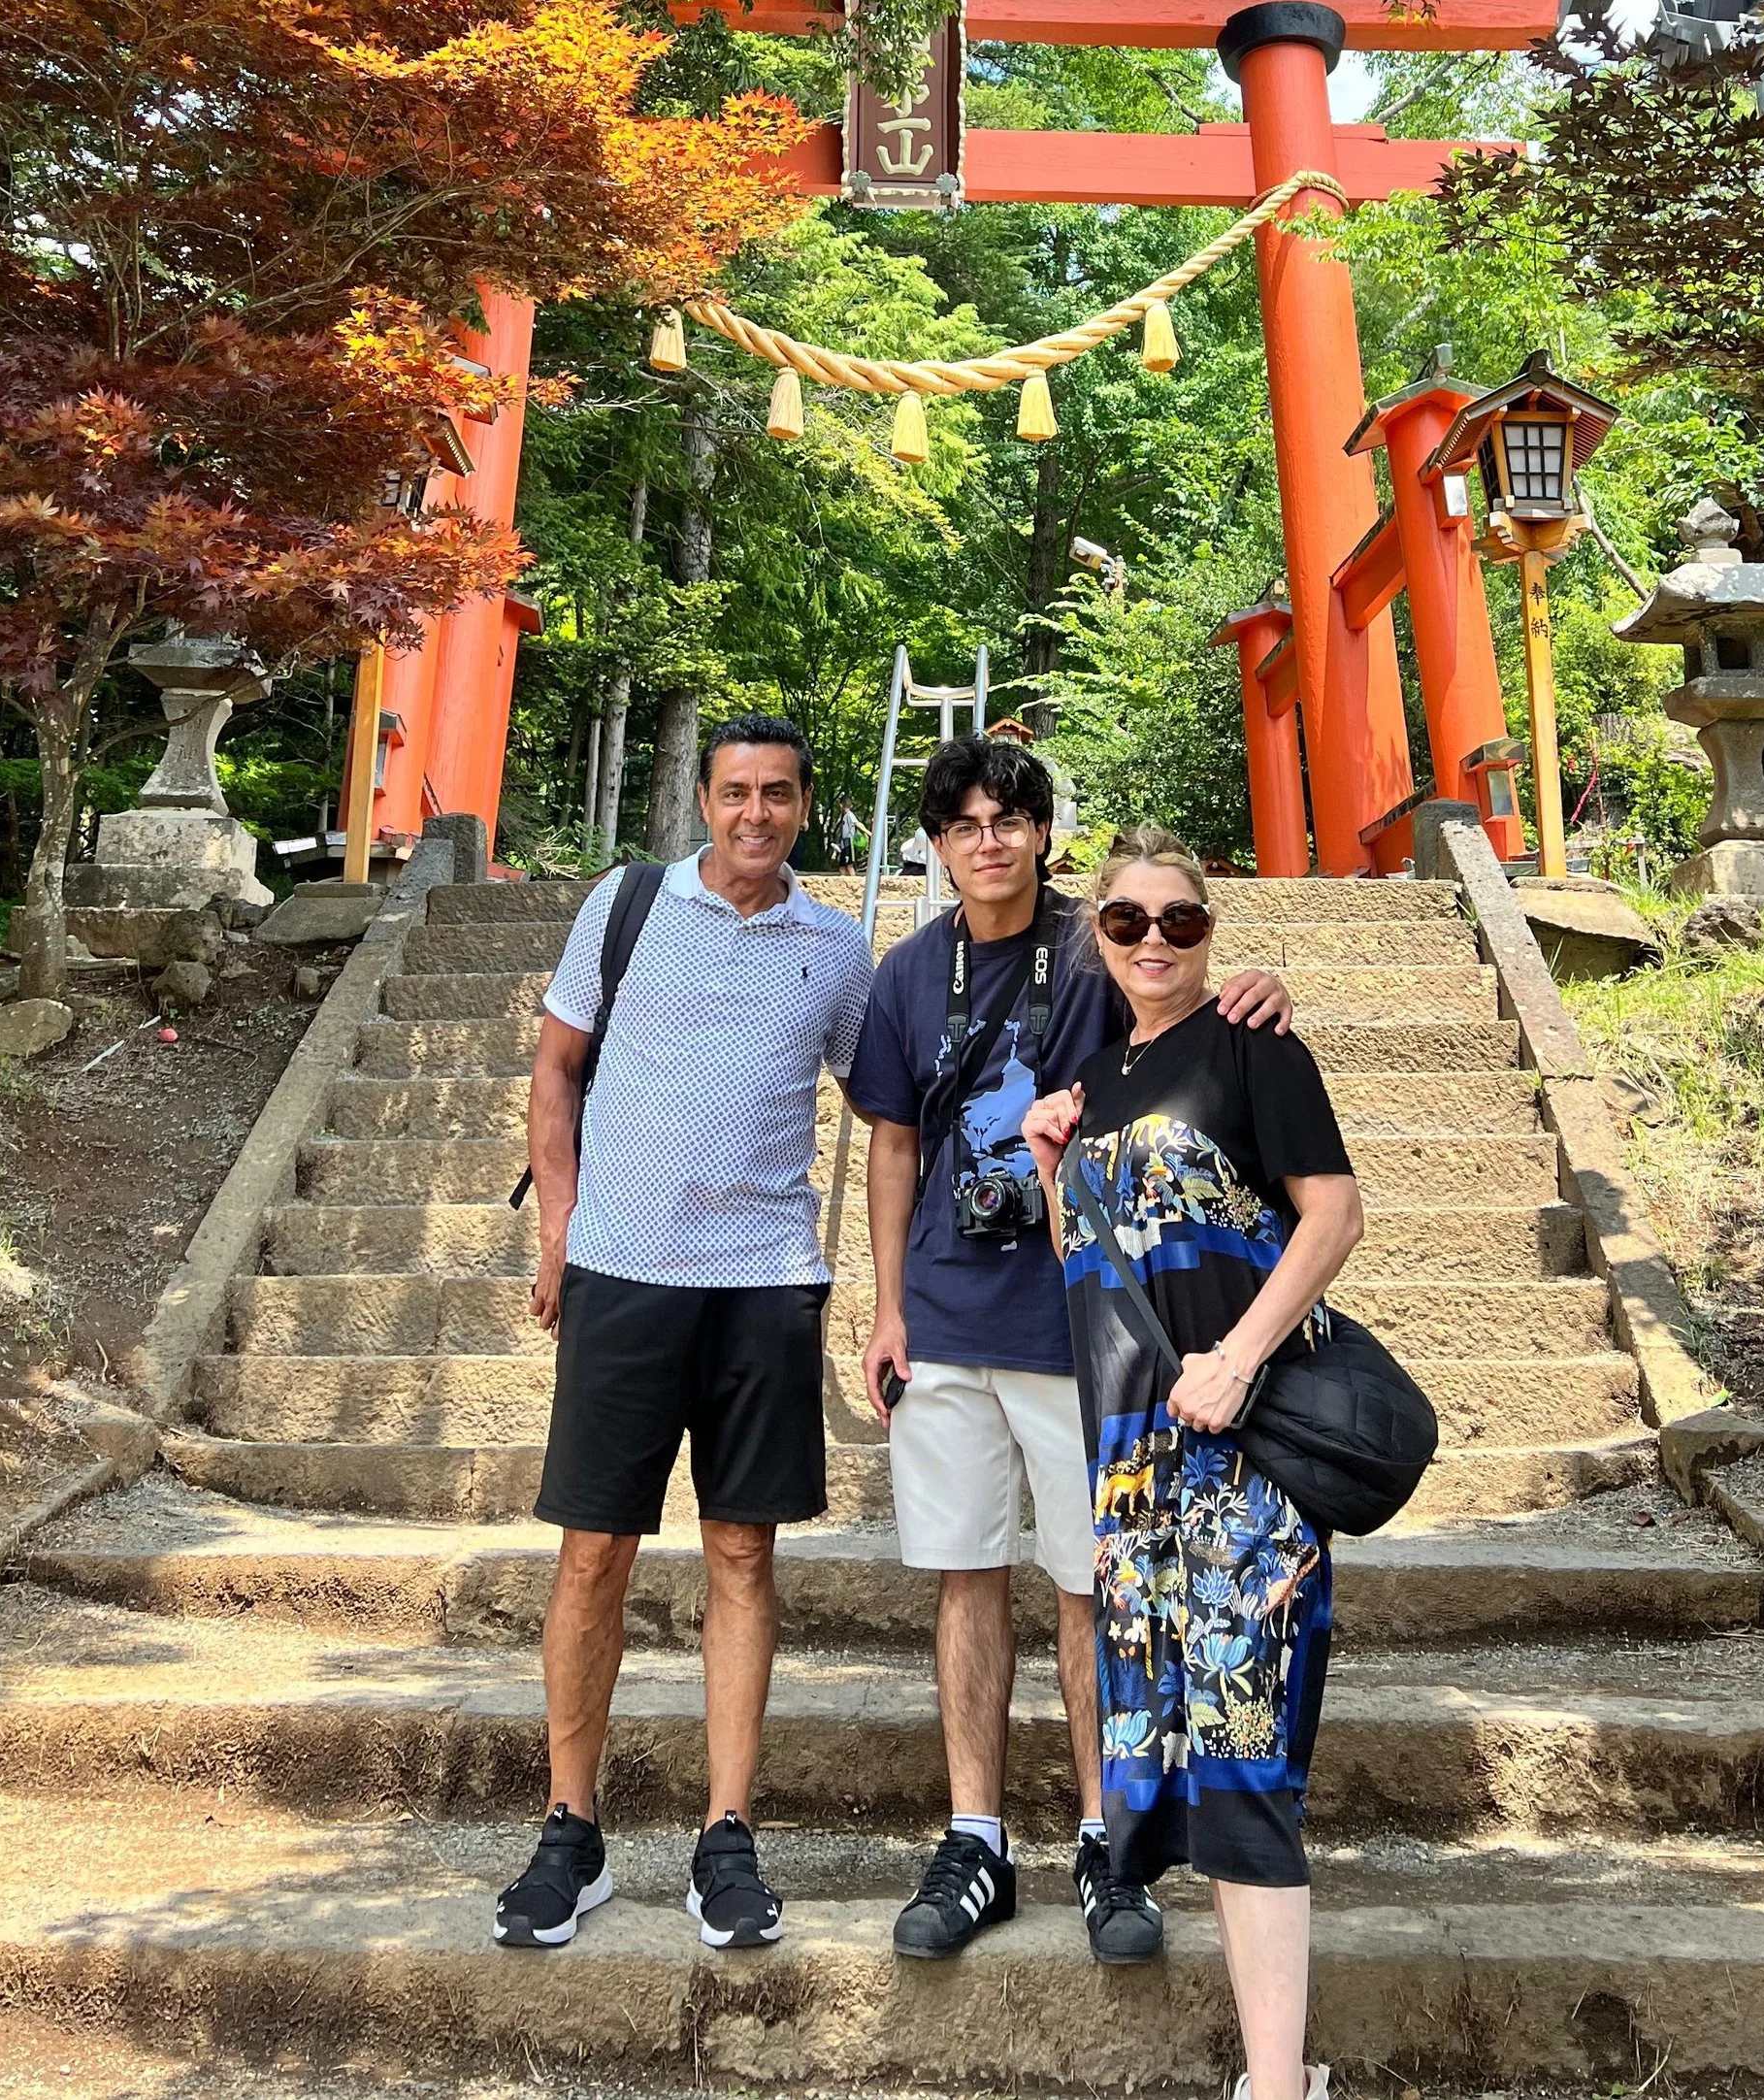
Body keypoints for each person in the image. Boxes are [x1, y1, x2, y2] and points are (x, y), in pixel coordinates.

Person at [847, 737, 1300, 1966]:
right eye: (961, 824)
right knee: (963, 1576)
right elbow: (895, 1148)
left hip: (1080, 1326)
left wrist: (1252, 981)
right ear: (934, 847)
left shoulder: (1091, 948)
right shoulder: (902, 976)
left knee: (1092, 1582)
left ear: (1044, 833)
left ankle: (1109, 1838)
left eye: (1009, 818)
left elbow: (1179, 993)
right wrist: (887, 1305)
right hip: (943, 1313)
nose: (986, 840)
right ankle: (978, 1835)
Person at [493, 714, 872, 1956]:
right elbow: (555, 1067)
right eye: (732, 793)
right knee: (592, 1553)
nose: (752, 814)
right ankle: (568, 1829)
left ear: (804, 807)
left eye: (775, 794)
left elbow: (891, 1107)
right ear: (701, 802)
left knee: (742, 1555)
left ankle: (726, 1836)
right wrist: (557, 1231)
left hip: (764, 1281)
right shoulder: (627, 903)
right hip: (622, 1272)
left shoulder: (837, 951)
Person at [1023, 829, 1363, 2100]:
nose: (1158, 941)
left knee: (1248, 1754)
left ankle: (1280, 2083)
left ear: (1211, 928)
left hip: (1246, 1455)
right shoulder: (1098, 1080)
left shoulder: (1253, 1039)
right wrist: (1058, 1165)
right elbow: (1090, 1273)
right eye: (1129, 921)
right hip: (1135, 1473)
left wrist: (1238, 1355)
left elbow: (1332, 1213)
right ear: (1094, 935)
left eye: (1182, 920)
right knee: (1180, 1759)